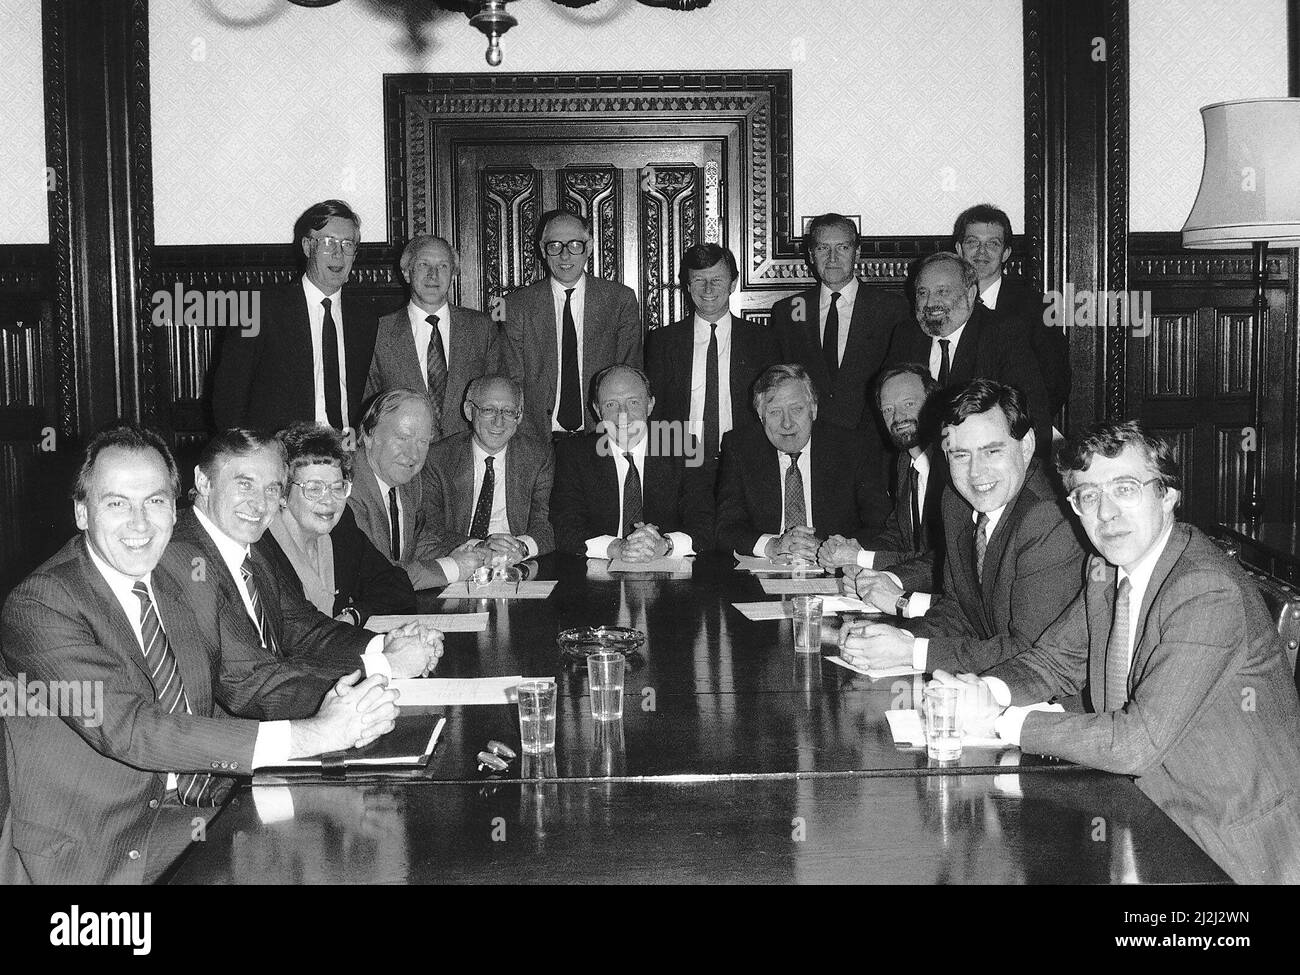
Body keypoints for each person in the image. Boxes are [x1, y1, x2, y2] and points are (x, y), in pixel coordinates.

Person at [0, 422, 401, 884]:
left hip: (196, 808)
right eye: (116, 503)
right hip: (97, 846)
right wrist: (313, 735)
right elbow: (131, 730)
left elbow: (249, 678)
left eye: (154, 501)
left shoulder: (186, 571)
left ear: (175, 508)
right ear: (82, 514)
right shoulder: (40, 604)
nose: (139, 523)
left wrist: (360, 697)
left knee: (353, 836)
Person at [940, 420, 1300, 884]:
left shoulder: (1204, 589)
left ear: (1168, 495)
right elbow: (1053, 660)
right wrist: (983, 690)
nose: (1106, 513)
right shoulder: (1107, 569)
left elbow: (1136, 742)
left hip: (1226, 846)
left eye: (1125, 489)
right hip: (1140, 809)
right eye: (1088, 496)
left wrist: (999, 721)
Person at [841, 380, 1085, 674]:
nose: (976, 472)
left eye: (992, 452)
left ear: (1026, 447)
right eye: (960, 454)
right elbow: (959, 610)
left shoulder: (1049, 517)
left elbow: (1029, 650)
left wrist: (912, 652)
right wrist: (891, 639)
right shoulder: (956, 502)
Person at [166, 428, 441, 680]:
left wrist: (383, 644)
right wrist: (384, 665)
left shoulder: (253, 548)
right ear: (203, 481)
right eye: (245, 484)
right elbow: (246, 678)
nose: (259, 504)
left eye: (271, 488)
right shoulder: (189, 557)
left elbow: (301, 628)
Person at [213, 199, 378, 434]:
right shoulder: (258, 309)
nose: (338, 254)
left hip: (344, 454)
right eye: (329, 242)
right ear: (308, 247)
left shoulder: (365, 320)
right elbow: (229, 400)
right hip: (280, 456)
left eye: (347, 244)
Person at [714, 363, 891, 559]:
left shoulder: (853, 447)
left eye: (796, 409)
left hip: (834, 570)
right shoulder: (740, 447)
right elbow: (726, 528)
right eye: (774, 412)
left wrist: (828, 548)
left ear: (813, 409)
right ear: (760, 416)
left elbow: (881, 527)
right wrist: (772, 545)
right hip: (764, 570)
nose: (787, 423)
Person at [886, 252, 1053, 457]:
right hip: (921, 462)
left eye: (942, 291)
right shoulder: (907, 335)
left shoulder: (1002, 334)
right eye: (922, 293)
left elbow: (1033, 415)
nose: (930, 303)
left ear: (971, 294)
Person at [500, 209, 642, 442]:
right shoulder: (516, 305)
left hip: (602, 438)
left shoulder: (619, 300)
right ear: (542, 250)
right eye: (554, 246)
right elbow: (512, 380)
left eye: (575, 245)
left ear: (590, 247)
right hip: (536, 440)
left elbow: (630, 373)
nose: (565, 256)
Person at [256, 422, 415, 626]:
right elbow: (295, 632)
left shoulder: (340, 529)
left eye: (337, 487)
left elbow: (396, 585)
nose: (329, 500)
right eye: (314, 489)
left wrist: (352, 615)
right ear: (283, 495)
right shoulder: (262, 547)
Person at [550, 364, 714, 559]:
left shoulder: (685, 447)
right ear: (597, 409)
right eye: (611, 404)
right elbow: (564, 527)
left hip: (671, 571)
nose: (623, 414)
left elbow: (705, 523)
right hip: (598, 571)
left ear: (650, 404)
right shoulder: (574, 454)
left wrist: (665, 545)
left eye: (633, 402)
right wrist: (617, 548)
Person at [768, 213, 911, 431]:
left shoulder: (891, 308)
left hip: (872, 438)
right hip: (812, 438)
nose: (832, 258)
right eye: (823, 248)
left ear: (857, 252)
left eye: (842, 247)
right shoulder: (791, 311)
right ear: (811, 254)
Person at [645, 243, 777, 472]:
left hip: (745, 463)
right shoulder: (663, 341)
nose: (707, 289)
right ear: (688, 285)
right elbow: (656, 411)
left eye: (716, 280)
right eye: (698, 280)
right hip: (682, 463)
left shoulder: (762, 341)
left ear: (733, 284)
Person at [818, 363, 945, 591]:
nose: (898, 417)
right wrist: (852, 550)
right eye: (888, 409)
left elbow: (944, 560)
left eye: (909, 404)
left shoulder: (951, 466)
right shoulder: (905, 462)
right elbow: (897, 535)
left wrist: (862, 559)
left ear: (934, 405)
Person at [364, 235, 499, 442]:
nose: (433, 275)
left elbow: (495, 396)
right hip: (403, 458)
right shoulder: (379, 332)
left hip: (464, 457)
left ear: (453, 275)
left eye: (443, 266)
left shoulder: (481, 328)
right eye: (423, 264)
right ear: (407, 273)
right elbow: (368, 409)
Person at [348, 389, 487, 589]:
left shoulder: (410, 482)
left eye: (423, 442)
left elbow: (418, 544)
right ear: (369, 436)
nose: (413, 454)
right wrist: (454, 567)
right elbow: (378, 576)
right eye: (403, 438)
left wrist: (475, 549)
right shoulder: (348, 487)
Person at [953, 203, 1069, 417]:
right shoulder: (943, 304)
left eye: (993, 244)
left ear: (1006, 253)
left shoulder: (1036, 307)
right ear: (959, 249)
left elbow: (1056, 383)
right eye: (973, 243)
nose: (981, 252)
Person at [425, 374, 555, 563]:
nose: (498, 422)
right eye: (488, 410)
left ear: (519, 416)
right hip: (461, 560)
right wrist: (479, 546)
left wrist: (521, 547)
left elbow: (544, 524)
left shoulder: (537, 457)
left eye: (508, 412)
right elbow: (430, 529)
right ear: (469, 410)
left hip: (516, 563)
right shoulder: (439, 459)